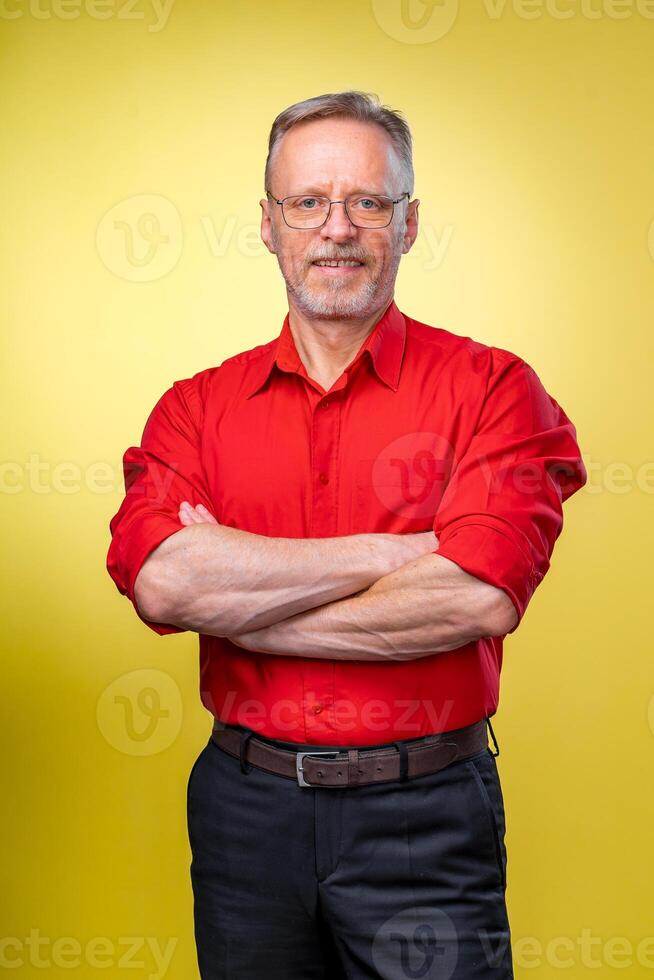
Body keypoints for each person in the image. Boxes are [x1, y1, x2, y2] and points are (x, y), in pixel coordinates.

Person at [106, 90, 587, 979]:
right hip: (243, 817)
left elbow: (477, 595)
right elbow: (166, 586)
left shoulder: (495, 390)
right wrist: (392, 552)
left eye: (369, 202)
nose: (338, 228)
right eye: (308, 203)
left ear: (408, 226)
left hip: (427, 816)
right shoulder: (194, 409)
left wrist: (244, 606)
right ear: (268, 224)